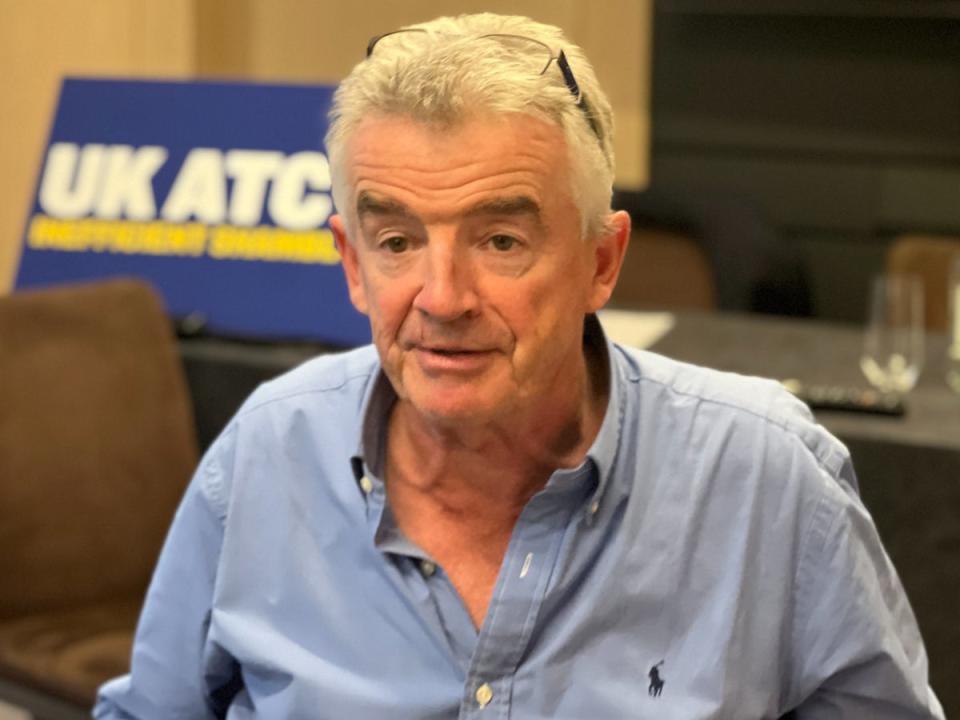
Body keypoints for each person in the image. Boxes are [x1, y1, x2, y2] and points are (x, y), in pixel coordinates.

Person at [94, 13, 944, 719]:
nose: (443, 297)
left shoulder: (765, 481)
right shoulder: (267, 453)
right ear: (352, 264)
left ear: (602, 263)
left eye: (500, 241)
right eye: (397, 242)